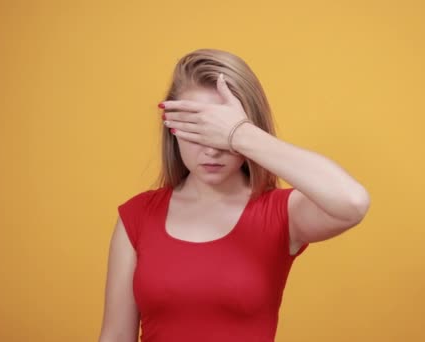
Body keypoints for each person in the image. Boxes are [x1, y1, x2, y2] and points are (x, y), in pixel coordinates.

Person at [98, 48, 371, 342]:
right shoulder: (138, 215)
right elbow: (116, 335)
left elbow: (352, 202)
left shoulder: (280, 213)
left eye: (219, 130)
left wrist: (239, 133)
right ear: (172, 126)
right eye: (198, 127)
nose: (212, 148)